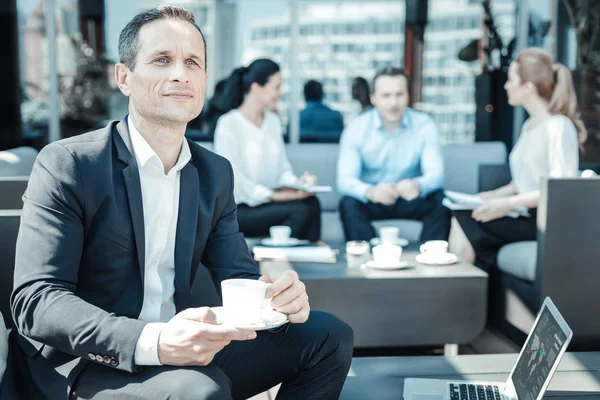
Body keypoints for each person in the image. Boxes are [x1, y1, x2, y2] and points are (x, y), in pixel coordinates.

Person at [5, 7, 353, 400]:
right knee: (201, 389)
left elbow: (237, 273)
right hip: (90, 360)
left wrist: (275, 299)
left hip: (187, 347)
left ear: (204, 80)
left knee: (329, 335)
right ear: (124, 78)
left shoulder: (214, 172)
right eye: (161, 60)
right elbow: (37, 301)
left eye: (192, 62)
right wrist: (155, 340)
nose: (180, 73)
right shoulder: (70, 163)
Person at [449, 47, 585, 270]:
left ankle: (456, 296)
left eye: (511, 79)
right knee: (465, 213)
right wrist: (491, 196)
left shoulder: (559, 127)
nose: (505, 85)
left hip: (545, 221)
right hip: (525, 212)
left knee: (465, 222)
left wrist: (507, 204)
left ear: (528, 87)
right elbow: (524, 181)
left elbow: (559, 189)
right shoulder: (530, 125)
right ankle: (466, 295)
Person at [337, 67, 450, 243]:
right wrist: (370, 191)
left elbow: (436, 174)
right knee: (348, 203)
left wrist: (418, 185)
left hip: (409, 196)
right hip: (374, 197)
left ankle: (430, 259)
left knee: (440, 200)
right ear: (373, 98)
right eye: (386, 96)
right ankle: (367, 261)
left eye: (399, 94)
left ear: (408, 95)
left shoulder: (424, 125)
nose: (393, 103)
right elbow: (344, 180)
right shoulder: (356, 128)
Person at [214, 59, 322, 242]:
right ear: (256, 88)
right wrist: (276, 196)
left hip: (268, 203)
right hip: (241, 208)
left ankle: (303, 255)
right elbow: (236, 183)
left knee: (311, 202)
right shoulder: (228, 125)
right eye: (276, 87)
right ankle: (283, 256)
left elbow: (282, 170)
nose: (281, 93)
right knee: (300, 210)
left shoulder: (272, 121)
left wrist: (299, 184)